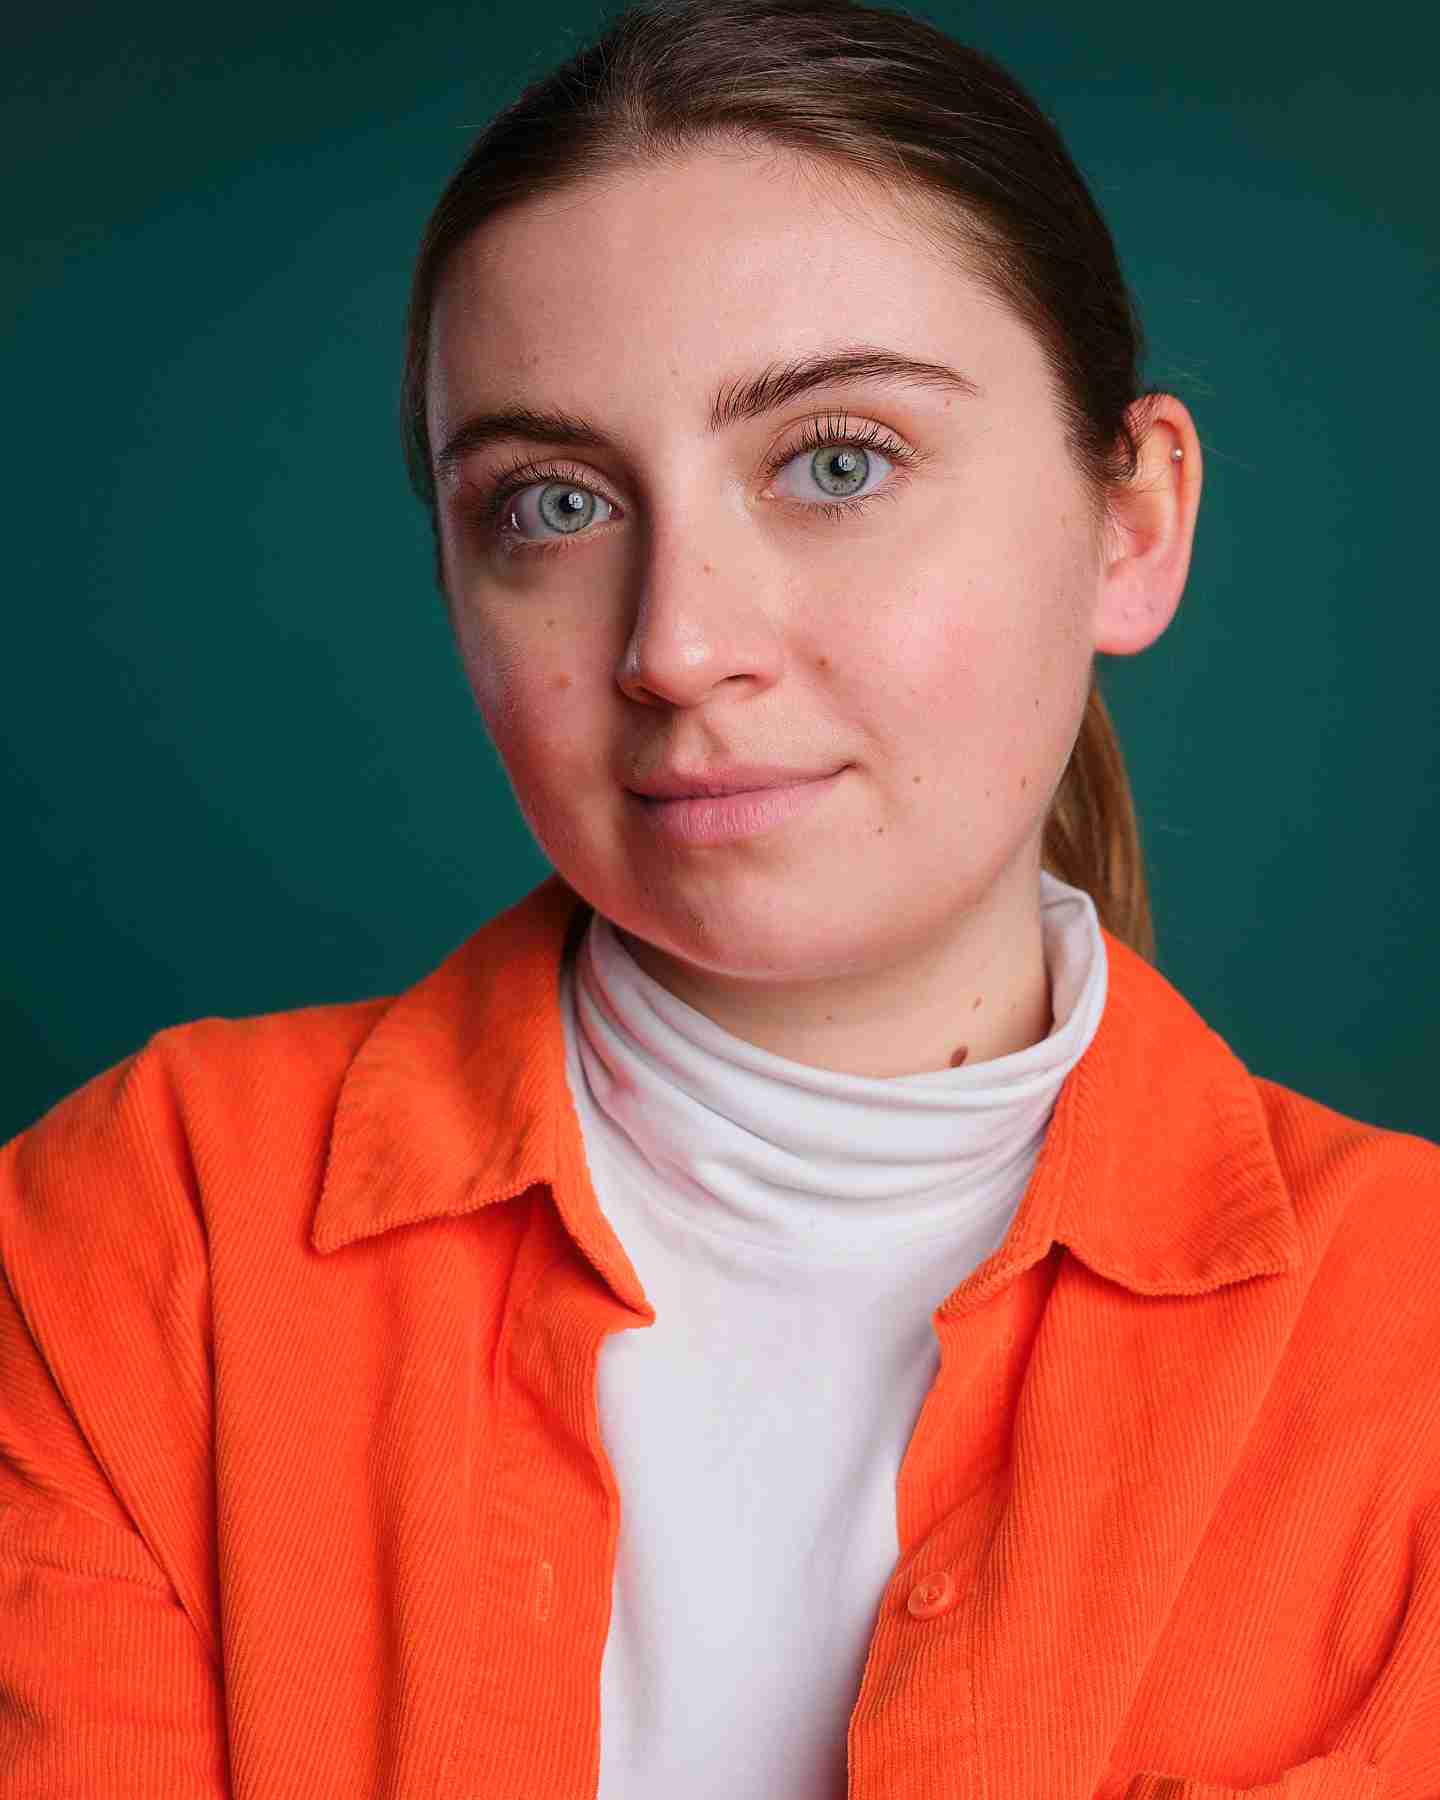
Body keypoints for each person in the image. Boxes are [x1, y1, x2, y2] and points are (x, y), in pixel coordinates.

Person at [3, 2, 1437, 1796]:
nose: (677, 646)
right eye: (552, 505)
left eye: (839, 462)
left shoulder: (1411, 1339)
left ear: (1132, 526)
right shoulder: (146, 1235)